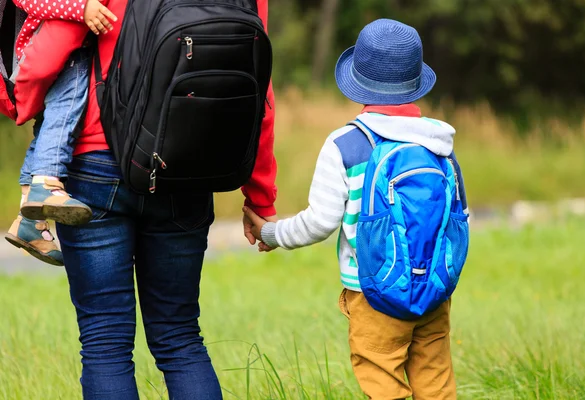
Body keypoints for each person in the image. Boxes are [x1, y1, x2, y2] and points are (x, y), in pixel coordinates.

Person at [53, 0, 277, 398]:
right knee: (180, 338)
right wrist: (260, 197)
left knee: (105, 343)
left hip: (97, 159)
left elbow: (54, 44)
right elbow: (260, 91)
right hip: (187, 166)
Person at [243, 19, 467, 400]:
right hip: (434, 290)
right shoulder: (439, 143)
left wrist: (269, 233)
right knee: (436, 382)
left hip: (373, 292)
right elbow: (458, 219)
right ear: (415, 81)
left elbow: (319, 222)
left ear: (358, 83)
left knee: (383, 384)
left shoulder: (346, 145)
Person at [1, 0, 118, 265]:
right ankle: (46, 183)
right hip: (50, 48)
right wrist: (81, 8)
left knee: (51, 124)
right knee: (66, 110)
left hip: (60, 45)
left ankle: (29, 220)